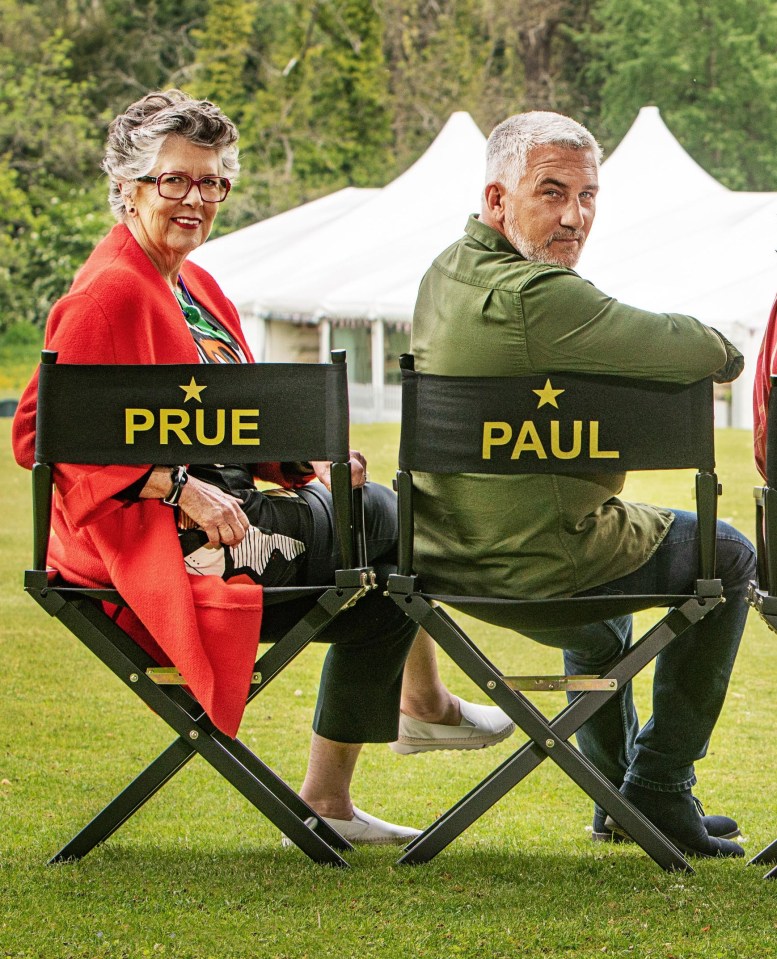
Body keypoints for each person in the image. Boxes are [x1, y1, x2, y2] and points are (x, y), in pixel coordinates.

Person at [12, 90, 514, 847]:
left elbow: (222, 414)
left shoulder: (197, 286)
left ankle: (332, 797)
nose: (196, 199)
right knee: (387, 518)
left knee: (383, 591)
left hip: (238, 512)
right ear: (127, 187)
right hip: (172, 545)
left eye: (212, 181)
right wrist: (174, 486)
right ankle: (426, 704)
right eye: (174, 180)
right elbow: (38, 435)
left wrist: (299, 459)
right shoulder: (108, 292)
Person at [410, 110, 756, 858]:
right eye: (552, 193)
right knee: (727, 556)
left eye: (589, 195)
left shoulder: (443, 272)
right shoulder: (542, 298)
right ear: (497, 201)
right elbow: (708, 351)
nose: (575, 216)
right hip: (536, 557)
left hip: (445, 554)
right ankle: (659, 787)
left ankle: (614, 797)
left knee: (600, 628)